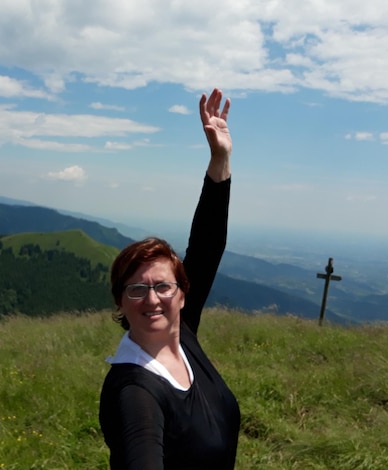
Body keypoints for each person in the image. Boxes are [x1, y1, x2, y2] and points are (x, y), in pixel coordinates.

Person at [99, 88, 241, 469]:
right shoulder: (135, 390)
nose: (152, 298)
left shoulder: (182, 334)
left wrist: (220, 159)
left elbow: (208, 245)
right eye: (136, 289)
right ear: (120, 301)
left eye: (163, 285)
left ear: (182, 293)